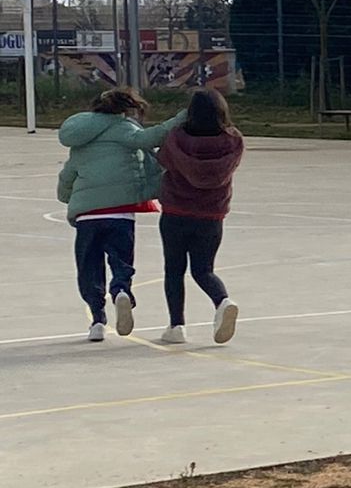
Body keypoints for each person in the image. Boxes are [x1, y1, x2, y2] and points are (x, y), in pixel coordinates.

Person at [56, 87, 187, 342]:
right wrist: (181, 117)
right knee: (121, 261)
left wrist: (67, 197)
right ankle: (121, 291)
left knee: (89, 267)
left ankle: (97, 320)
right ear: (125, 109)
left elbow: (67, 176)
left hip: (87, 216)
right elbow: (154, 137)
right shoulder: (124, 128)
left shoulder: (80, 141)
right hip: (120, 213)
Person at [155, 87, 246, 345]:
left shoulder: (176, 138)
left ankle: (177, 326)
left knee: (174, 270)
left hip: (176, 211)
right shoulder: (232, 141)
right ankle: (222, 301)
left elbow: (162, 159)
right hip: (211, 214)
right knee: (203, 270)